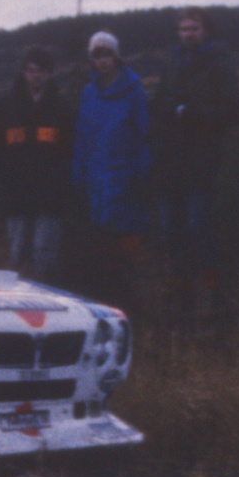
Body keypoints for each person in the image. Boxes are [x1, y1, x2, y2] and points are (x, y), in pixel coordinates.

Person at [151, 6, 239, 311]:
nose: (188, 34)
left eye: (193, 28)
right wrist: (166, 114)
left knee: (198, 227)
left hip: (201, 162)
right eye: (183, 29)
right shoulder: (172, 64)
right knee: (169, 229)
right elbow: (157, 106)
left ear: (205, 30)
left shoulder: (220, 64)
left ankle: (211, 293)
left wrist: (192, 113)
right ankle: (179, 292)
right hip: (171, 164)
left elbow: (234, 111)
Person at [71, 32, 153, 304]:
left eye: (107, 54)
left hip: (125, 182)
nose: (102, 61)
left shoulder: (134, 93)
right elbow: (81, 138)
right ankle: (106, 305)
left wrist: (141, 177)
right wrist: (78, 174)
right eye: (97, 55)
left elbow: (145, 138)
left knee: (127, 248)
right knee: (101, 249)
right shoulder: (89, 94)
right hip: (95, 183)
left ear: (116, 56)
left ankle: (132, 306)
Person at [0, 45, 71, 280]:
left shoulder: (62, 109)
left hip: (49, 198)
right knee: (17, 258)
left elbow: (69, 152)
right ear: (24, 72)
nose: (36, 75)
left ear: (51, 73)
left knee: (44, 258)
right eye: (31, 70)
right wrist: (6, 179)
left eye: (42, 71)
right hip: (16, 196)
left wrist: (57, 183)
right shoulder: (6, 107)